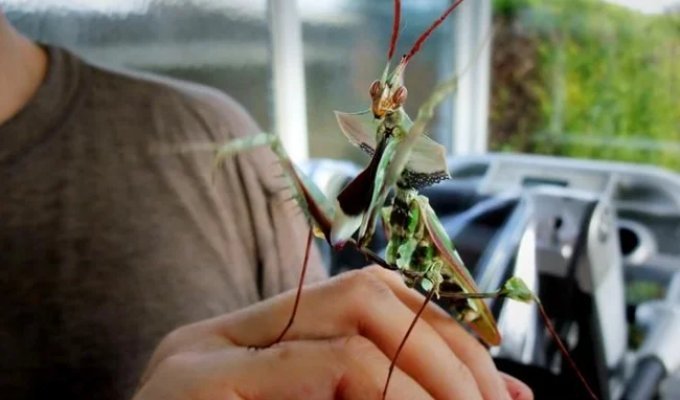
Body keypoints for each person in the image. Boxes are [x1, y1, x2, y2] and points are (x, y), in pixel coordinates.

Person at [0, 10, 532, 400]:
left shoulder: (206, 127)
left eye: (391, 96)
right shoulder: (212, 136)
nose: (382, 98)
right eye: (382, 92)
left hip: (465, 299)